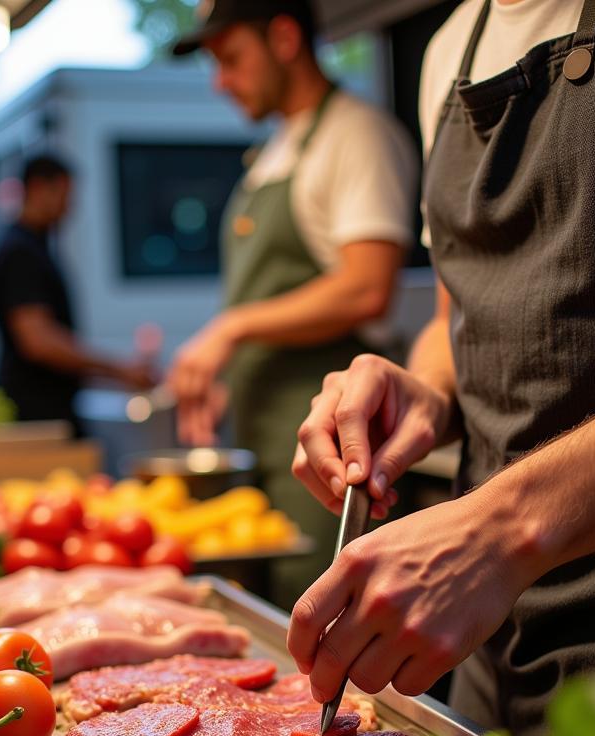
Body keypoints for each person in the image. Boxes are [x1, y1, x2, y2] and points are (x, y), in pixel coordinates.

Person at [287, 0, 595, 736]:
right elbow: (463, 314)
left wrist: (501, 527)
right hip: (491, 659)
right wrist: (427, 392)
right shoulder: (451, 47)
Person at [167, 0, 417, 608]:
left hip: (334, 452)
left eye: (230, 59)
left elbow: (365, 285)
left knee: (325, 628)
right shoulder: (275, 151)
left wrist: (234, 327)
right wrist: (238, 371)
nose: (220, 81)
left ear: (283, 37)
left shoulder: (355, 134)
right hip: (269, 443)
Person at [0, 154, 153, 427]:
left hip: (47, 409)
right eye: (65, 196)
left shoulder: (33, 246)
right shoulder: (21, 251)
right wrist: (118, 369)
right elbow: (39, 341)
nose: (69, 208)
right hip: (37, 415)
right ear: (39, 188)